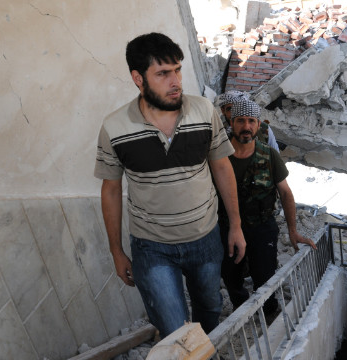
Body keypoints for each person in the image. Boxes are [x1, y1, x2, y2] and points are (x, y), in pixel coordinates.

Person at [94, 32, 246, 338]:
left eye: (177, 70)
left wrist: (236, 225)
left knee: (209, 309)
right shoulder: (114, 128)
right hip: (152, 247)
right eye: (163, 74)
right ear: (138, 78)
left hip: (205, 238)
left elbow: (221, 166)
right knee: (173, 327)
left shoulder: (204, 111)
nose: (175, 81)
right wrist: (116, 250)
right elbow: (110, 188)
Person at [218, 98, 317, 314]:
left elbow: (285, 193)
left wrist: (293, 231)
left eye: (251, 121)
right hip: (227, 229)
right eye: (241, 121)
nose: (246, 127)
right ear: (231, 123)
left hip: (261, 228)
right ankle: (241, 313)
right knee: (231, 277)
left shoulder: (269, 155)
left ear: (258, 124)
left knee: (265, 277)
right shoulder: (219, 156)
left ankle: (269, 314)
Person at [215, 90, 281, 151]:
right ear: (223, 111)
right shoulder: (218, 131)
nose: (235, 113)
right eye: (230, 109)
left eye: (239, 109)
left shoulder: (263, 129)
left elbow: (275, 155)